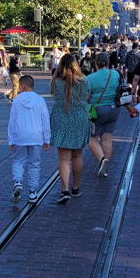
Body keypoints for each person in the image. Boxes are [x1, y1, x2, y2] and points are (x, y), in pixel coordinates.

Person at [50, 53, 91, 203]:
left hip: (61, 119)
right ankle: (75, 187)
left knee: (64, 158)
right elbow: (87, 97)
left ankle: (64, 189)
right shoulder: (84, 81)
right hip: (80, 118)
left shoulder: (56, 81)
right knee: (77, 156)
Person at [7, 75, 50, 204]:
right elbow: (45, 120)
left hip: (20, 136)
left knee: (18, 160)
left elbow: (12, 121)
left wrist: (10, 139)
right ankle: (33, 192)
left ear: (23, 86)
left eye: (19, 86)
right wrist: (46, 138)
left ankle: (18, 182)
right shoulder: (40, 100)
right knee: (34, 164)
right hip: (36, 136)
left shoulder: (16, 100)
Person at [85, 52, 121, 177]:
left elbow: (87, 96)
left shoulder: (90, 78)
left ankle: (102, 160)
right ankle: (105, 168)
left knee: (92, 139)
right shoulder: (116, 74)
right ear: (108, 62)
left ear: (95, 63)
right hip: (114, 109)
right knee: (107, 138)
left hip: (97, 111)